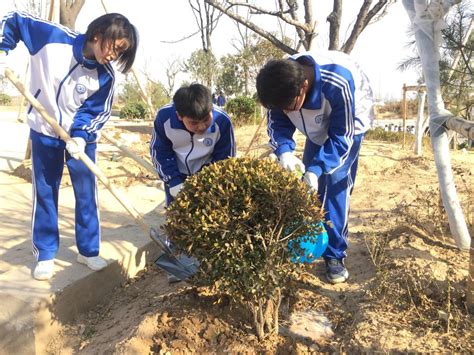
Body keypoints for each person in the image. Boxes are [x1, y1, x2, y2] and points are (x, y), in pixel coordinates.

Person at [0, 11, 138, 280]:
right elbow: (14, 19)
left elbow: (93, 112)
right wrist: (3, 48)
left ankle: (87, 250)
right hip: (43, 130)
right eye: (114, 47)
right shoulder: (52, 38)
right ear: (99, 34)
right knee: (45, 190)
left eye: (120, 52)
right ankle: (46, 252)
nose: (113, 56)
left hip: (79, 139)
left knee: (86, 191)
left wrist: (81, 136)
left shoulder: (105, 76)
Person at [256, 50, 374, 284]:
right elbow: (277, 123)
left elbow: (341, 137)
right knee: (308, 187)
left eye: (290, 106)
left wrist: (318, 168)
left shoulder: (338, 81)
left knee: (334, 188)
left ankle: (335, 255)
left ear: (305, 86)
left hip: (350, 126)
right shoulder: (279, 83)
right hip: (316, 131)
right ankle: (309, 240)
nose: (287, 112)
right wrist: (285, 151)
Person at [150, 83, 236, 206]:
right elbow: (160, 151)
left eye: (206, 119)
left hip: (208, 177)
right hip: (176, 175)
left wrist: (209, 183)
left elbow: (224, 159)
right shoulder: (164, 118)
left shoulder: (222, 121)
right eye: (194, 123)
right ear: (179, 116)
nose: (201, 127)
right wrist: (173, 180)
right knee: (177, 217)